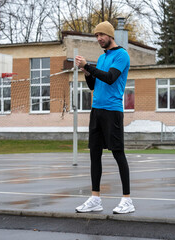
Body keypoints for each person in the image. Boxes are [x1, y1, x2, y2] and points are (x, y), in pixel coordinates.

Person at [74, 21, 135, 214]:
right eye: (96, 35)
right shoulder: (101, 58)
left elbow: (110, 78)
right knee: (94, 154)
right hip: (97, 110)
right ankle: (95, 198)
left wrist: (88, 66)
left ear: (110, 35)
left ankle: (127, 200)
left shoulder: (122, 55)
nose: (99, 38)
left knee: (118, 153)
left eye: (102, 34)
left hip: (112, 111)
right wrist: (87, 72)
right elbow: (94, 86)